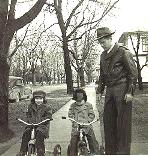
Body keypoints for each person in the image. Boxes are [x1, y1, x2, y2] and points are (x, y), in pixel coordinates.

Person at [96, 27, 138, 154]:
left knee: (123, 124)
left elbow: (133, 73)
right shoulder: (103, 55)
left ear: (110, 39)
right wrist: (99, 90)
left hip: (123, 89)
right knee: (108, 122)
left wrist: (130, 92)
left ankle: (123, 153)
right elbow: (102, 75)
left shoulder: (123, 51)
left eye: (103, 42)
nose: (102, 45)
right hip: (110, 91)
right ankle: (111, 152)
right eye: (100, 43)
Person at [16, 90, 52, 156]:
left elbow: (49, 116)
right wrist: (29, 120)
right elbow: (28, 115)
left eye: (40, 99)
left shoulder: (47, 107)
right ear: (34, 99)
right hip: (32, 125)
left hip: (42, 126)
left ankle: (40, 150)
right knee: (26, 132)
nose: (38, 100)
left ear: (43, 99)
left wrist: (46, 119)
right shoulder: (31, 106)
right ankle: (22, 151)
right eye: (36, 99)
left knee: (39, 133)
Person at [68, 88, 100, 156]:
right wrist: (73, 121)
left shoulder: (88, 105)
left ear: (84, 99)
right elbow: (70, 114)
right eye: (77, 101)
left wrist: (88, 121)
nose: (79, 102)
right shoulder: (73, 106)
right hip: (76, 126)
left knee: (92, 139)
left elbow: (92, 114)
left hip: (86, 125)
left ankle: (95, 153)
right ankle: (72, 153)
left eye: (81, 101)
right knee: (73, 140)